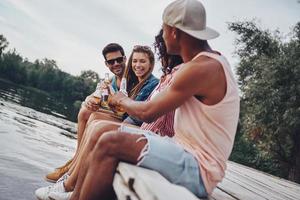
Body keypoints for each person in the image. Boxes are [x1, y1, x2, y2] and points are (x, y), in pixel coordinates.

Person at [66, 0, 240, 199]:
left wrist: (121, 99)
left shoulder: (202, 68)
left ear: (174, 32)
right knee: (104, 130)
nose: (163, 36)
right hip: (181, 149)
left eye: (164, 30)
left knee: (110, 143)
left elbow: (147, 113)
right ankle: (74, 195)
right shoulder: (207, 63)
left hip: (199, 169)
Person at [34, 30, 183, 200]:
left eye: (142, 61)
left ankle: (70, 181)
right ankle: (73, 166)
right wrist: (93, 99)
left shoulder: (150, 82)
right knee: (88, 114)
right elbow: (110, 98)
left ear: (150, 63)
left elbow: (135, 114)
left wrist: (117, 102)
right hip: (134, 121)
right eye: (135, 61)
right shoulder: (133, 79)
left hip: (138, 125)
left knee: (98, 124)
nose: (137, 65)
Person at [45, 43, 158, 183]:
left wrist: (112, 100)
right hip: (124, 115)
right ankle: (76, 159)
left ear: (124, 59)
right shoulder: (111, 80)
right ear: (107, 64)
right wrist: (90, 100)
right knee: (86, 112)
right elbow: (97, 95)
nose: (116, 64)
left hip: (130, 119)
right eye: (111, 61)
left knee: (95, 119)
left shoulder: (136, 77)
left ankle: (74, 171)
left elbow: (130, 110)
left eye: (119, 60)